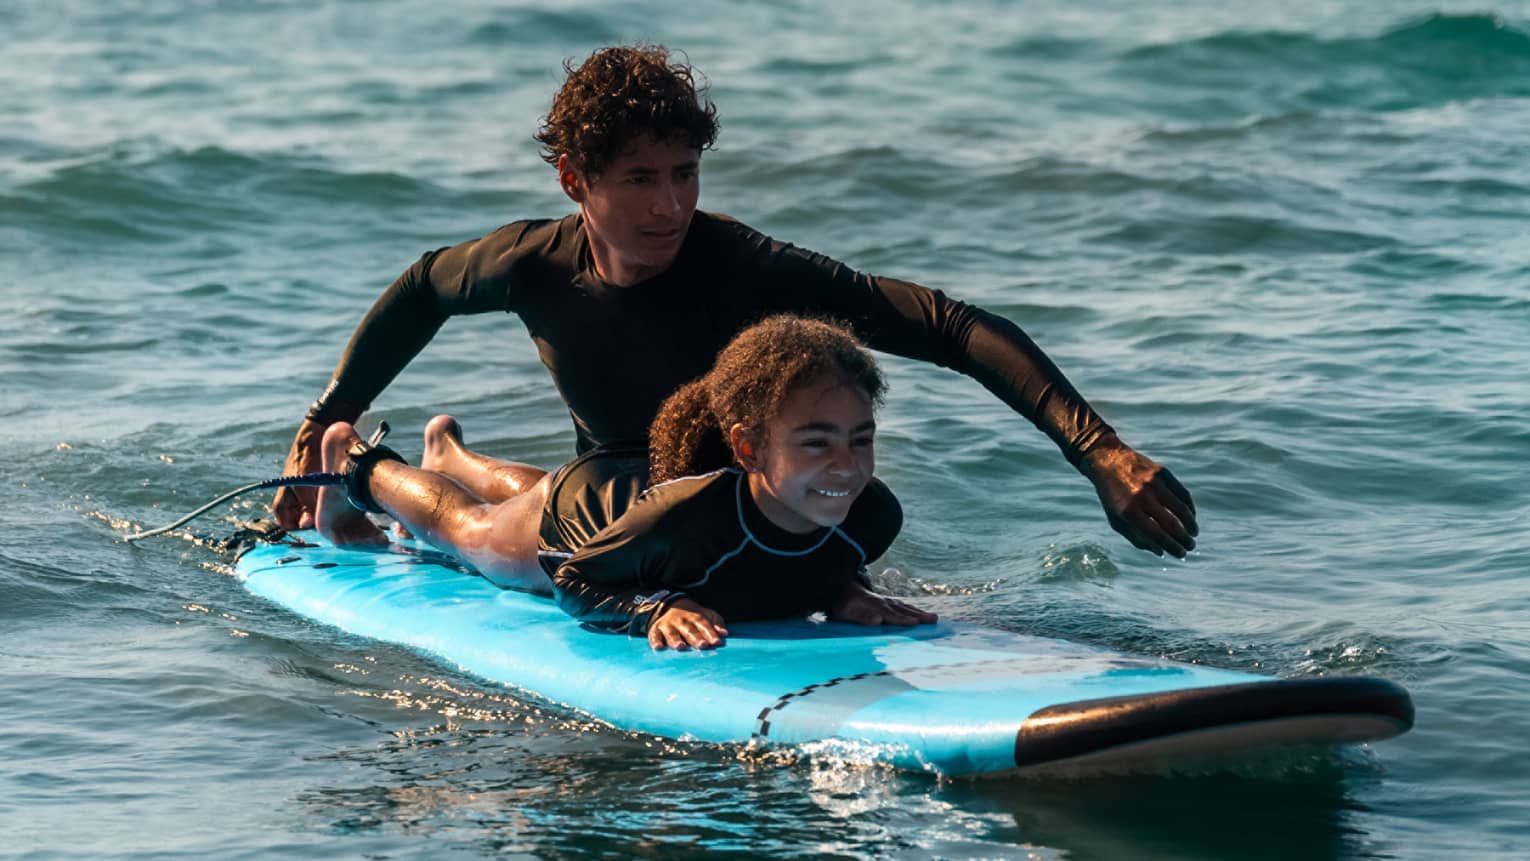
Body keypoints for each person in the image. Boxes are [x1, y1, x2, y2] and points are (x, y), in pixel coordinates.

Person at [275, 43, 1198, 566]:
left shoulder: (741, 263)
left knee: (800, 510)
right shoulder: (530, 264)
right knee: (496, 548)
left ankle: (455, 453)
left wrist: (1100, 451)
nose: (671, 206)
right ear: (574, 180)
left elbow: (948, 327)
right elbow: (419, 290)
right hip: (612, 486)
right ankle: (367, 468)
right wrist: (333, 410)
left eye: (685, 174)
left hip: (689, 486)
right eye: (639, 179)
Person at [314, 315, 936, 650]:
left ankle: (448, 455)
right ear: (748, 448)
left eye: (862, 439)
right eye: (816, 443)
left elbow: (819, 553)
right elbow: (575, 579)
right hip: (578, 526)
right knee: (467, 531)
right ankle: (357, 464)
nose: (847, 468)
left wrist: (845, 590)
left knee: (530, 494)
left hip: (627, 495)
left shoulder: (872, 514)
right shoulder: (690, 520)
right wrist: (653, 604)